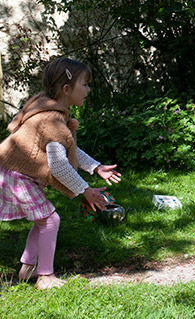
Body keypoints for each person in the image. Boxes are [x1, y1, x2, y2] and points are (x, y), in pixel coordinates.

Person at [0, 58, 122, 289]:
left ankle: (28, 269)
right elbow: (59, 164)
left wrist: (95, 167)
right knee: (49, 220)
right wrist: (85, 191)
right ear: (67, 89)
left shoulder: (49, 109)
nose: (88, 90)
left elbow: (67, 149)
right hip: (15, 176)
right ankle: (46, 277)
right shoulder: (52, 119)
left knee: (43, 219)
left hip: (12, 172)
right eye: (84, 84)